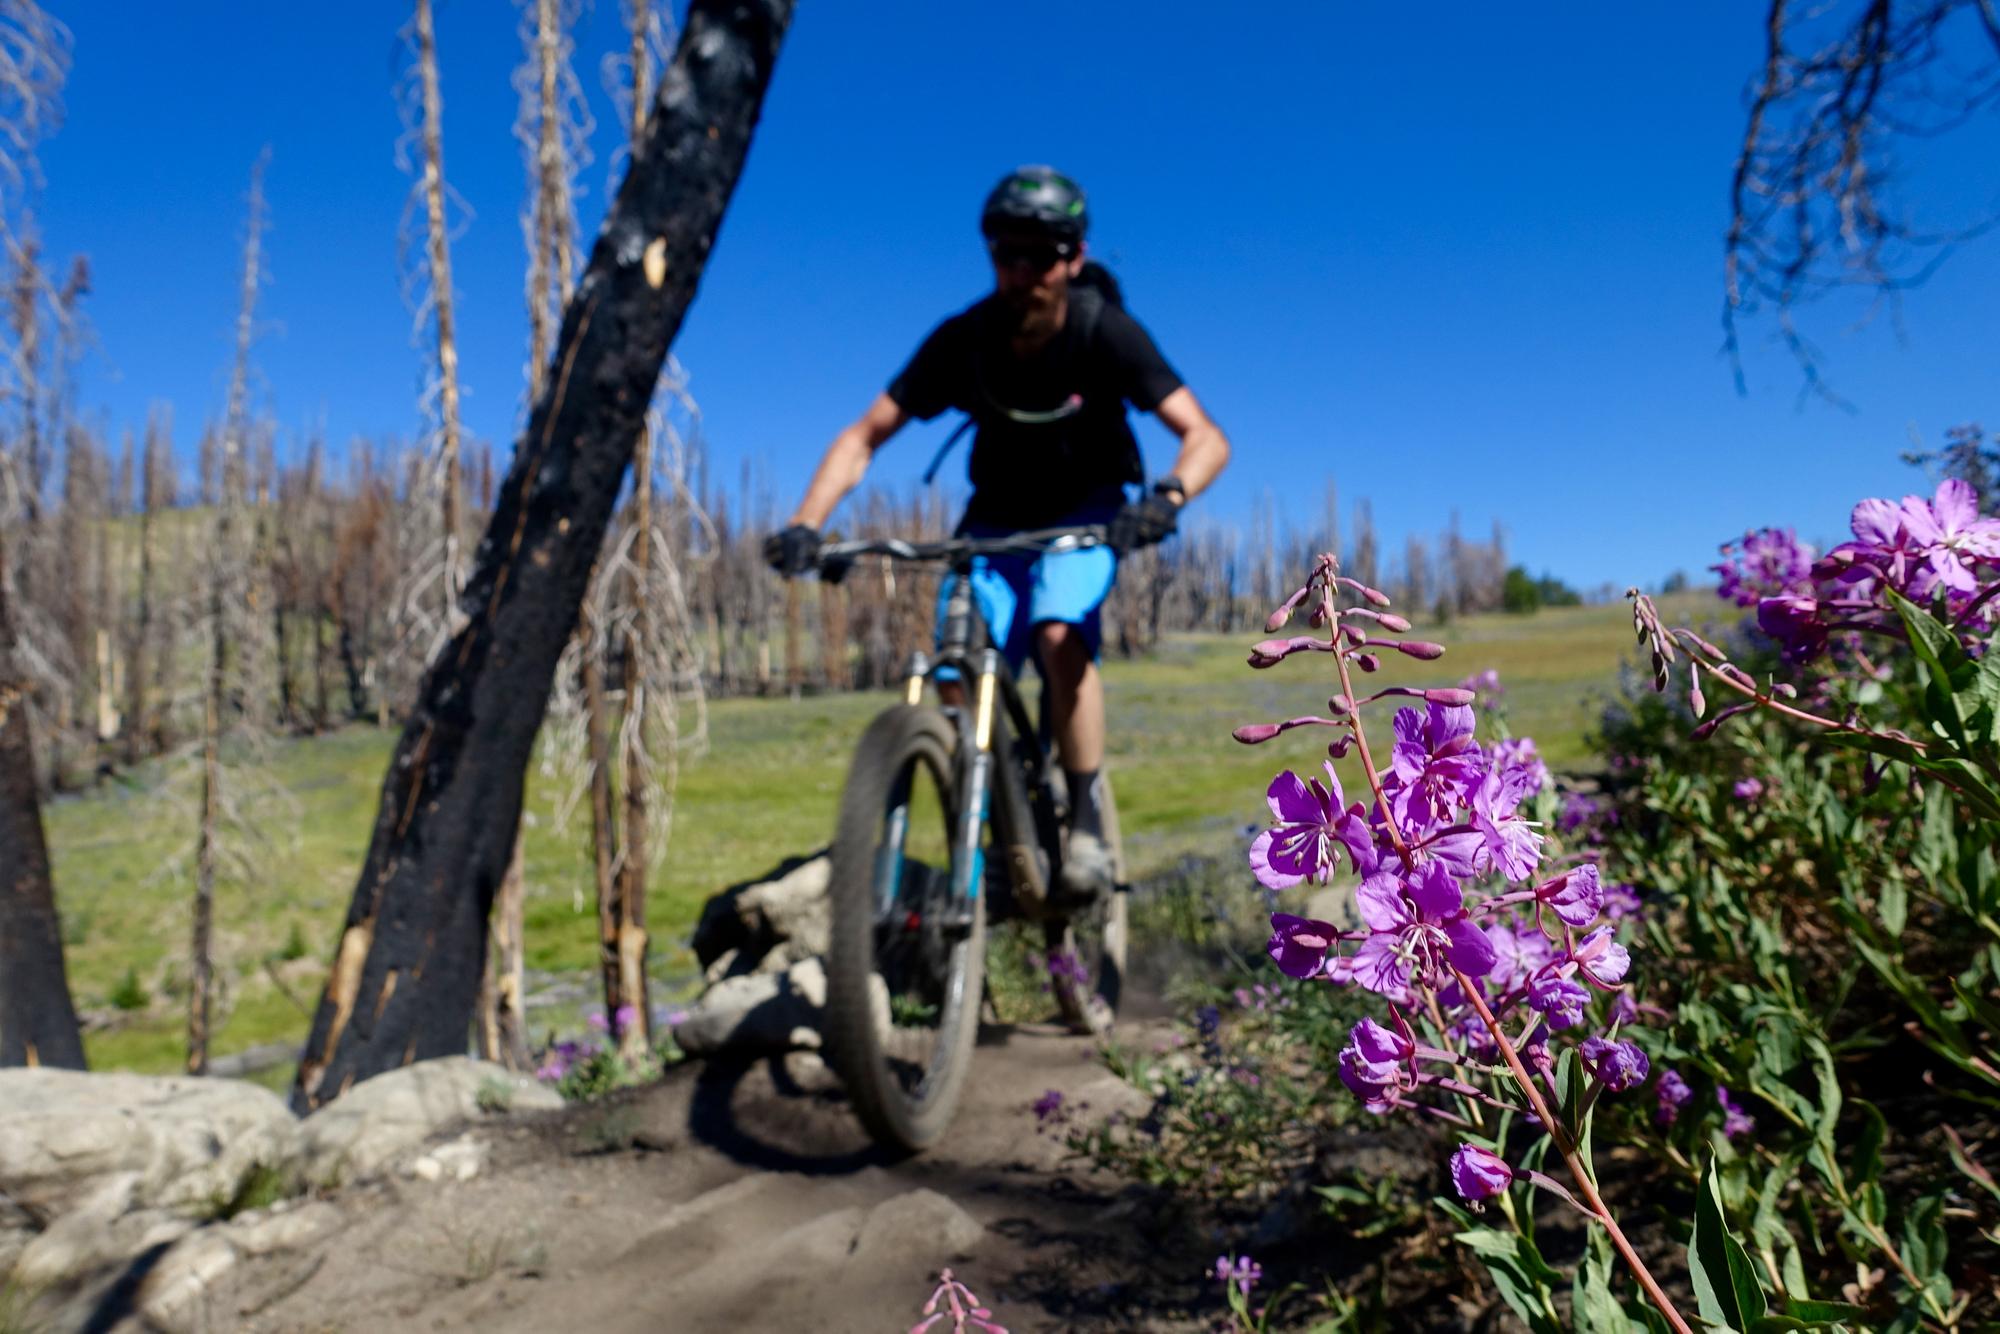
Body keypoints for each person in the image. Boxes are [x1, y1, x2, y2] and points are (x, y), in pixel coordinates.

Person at [764, 165, 1230, 900]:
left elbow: (1205, 436)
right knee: (952, 668)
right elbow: (863, 437)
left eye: (1040, 256)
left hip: (1088, 515)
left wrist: (1167, 497)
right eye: (1006, 254)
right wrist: (805, 523)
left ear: (1072, 258)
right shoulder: (965, 339)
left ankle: (1080, 819)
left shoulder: (1104, 331)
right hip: (992, 525)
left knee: (1057, 632)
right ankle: (997, 797)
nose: (1021, 273)